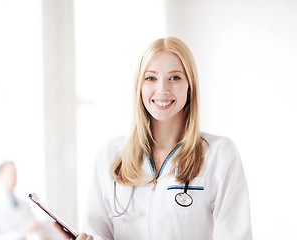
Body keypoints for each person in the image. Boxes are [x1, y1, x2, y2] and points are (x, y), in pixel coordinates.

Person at [57, 37, 253, 240]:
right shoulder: (111, 155)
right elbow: (97, 232)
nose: (162, 89)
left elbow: (236, 234)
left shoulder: (219, 154)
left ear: (190, 86)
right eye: (151, 78)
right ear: (139, 87)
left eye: (175, 78)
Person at [0, 161, 45, 240]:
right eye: (10, 172)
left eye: (15, 172)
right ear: (0, 175)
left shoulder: (24, 204)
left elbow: (36, 229)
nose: (14, 176)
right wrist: (21, 233)